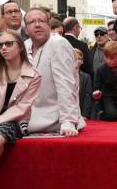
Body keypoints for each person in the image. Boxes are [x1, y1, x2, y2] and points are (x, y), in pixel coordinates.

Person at [24, 8, 84, 136]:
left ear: (48, 25)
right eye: (32, 22)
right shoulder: (25, 46)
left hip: (56, 119)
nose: (37, 24)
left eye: (41, 21)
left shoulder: (58, 44)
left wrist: (68, 121)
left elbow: (66, 85)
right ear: (26, 30)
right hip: (28, 117)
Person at [0, 30, 41, 161]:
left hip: (16, 121)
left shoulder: (34, 75)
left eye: (9, 43)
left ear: (21, 46)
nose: (4, 48)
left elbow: (22, 108)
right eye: (0, 45)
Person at [92, 41, 117, 121]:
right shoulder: (100, 69)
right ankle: (101, 114)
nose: (108, 60)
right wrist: (97, 94)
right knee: (112, 115)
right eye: (106, 57)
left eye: (112, 58)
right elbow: (96, 88)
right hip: (108, 95)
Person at [73, 48, 92, 119]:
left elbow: (88, 97)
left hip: (81, 114)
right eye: (75, 58)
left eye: (80, 59)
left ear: (82, 61)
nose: (77, 61)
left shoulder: (86, 77)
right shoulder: (63, 75)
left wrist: (84, 115)